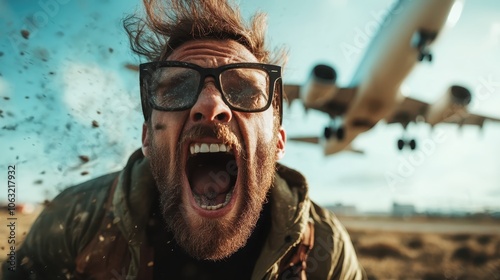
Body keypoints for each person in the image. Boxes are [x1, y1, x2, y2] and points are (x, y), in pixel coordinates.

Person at [2, 0, 366, 279]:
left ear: (279, 141)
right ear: (147, 137)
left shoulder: (327, 252)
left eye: (244, 91)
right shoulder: (74, 221)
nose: (210, 105)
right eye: (177, 89)